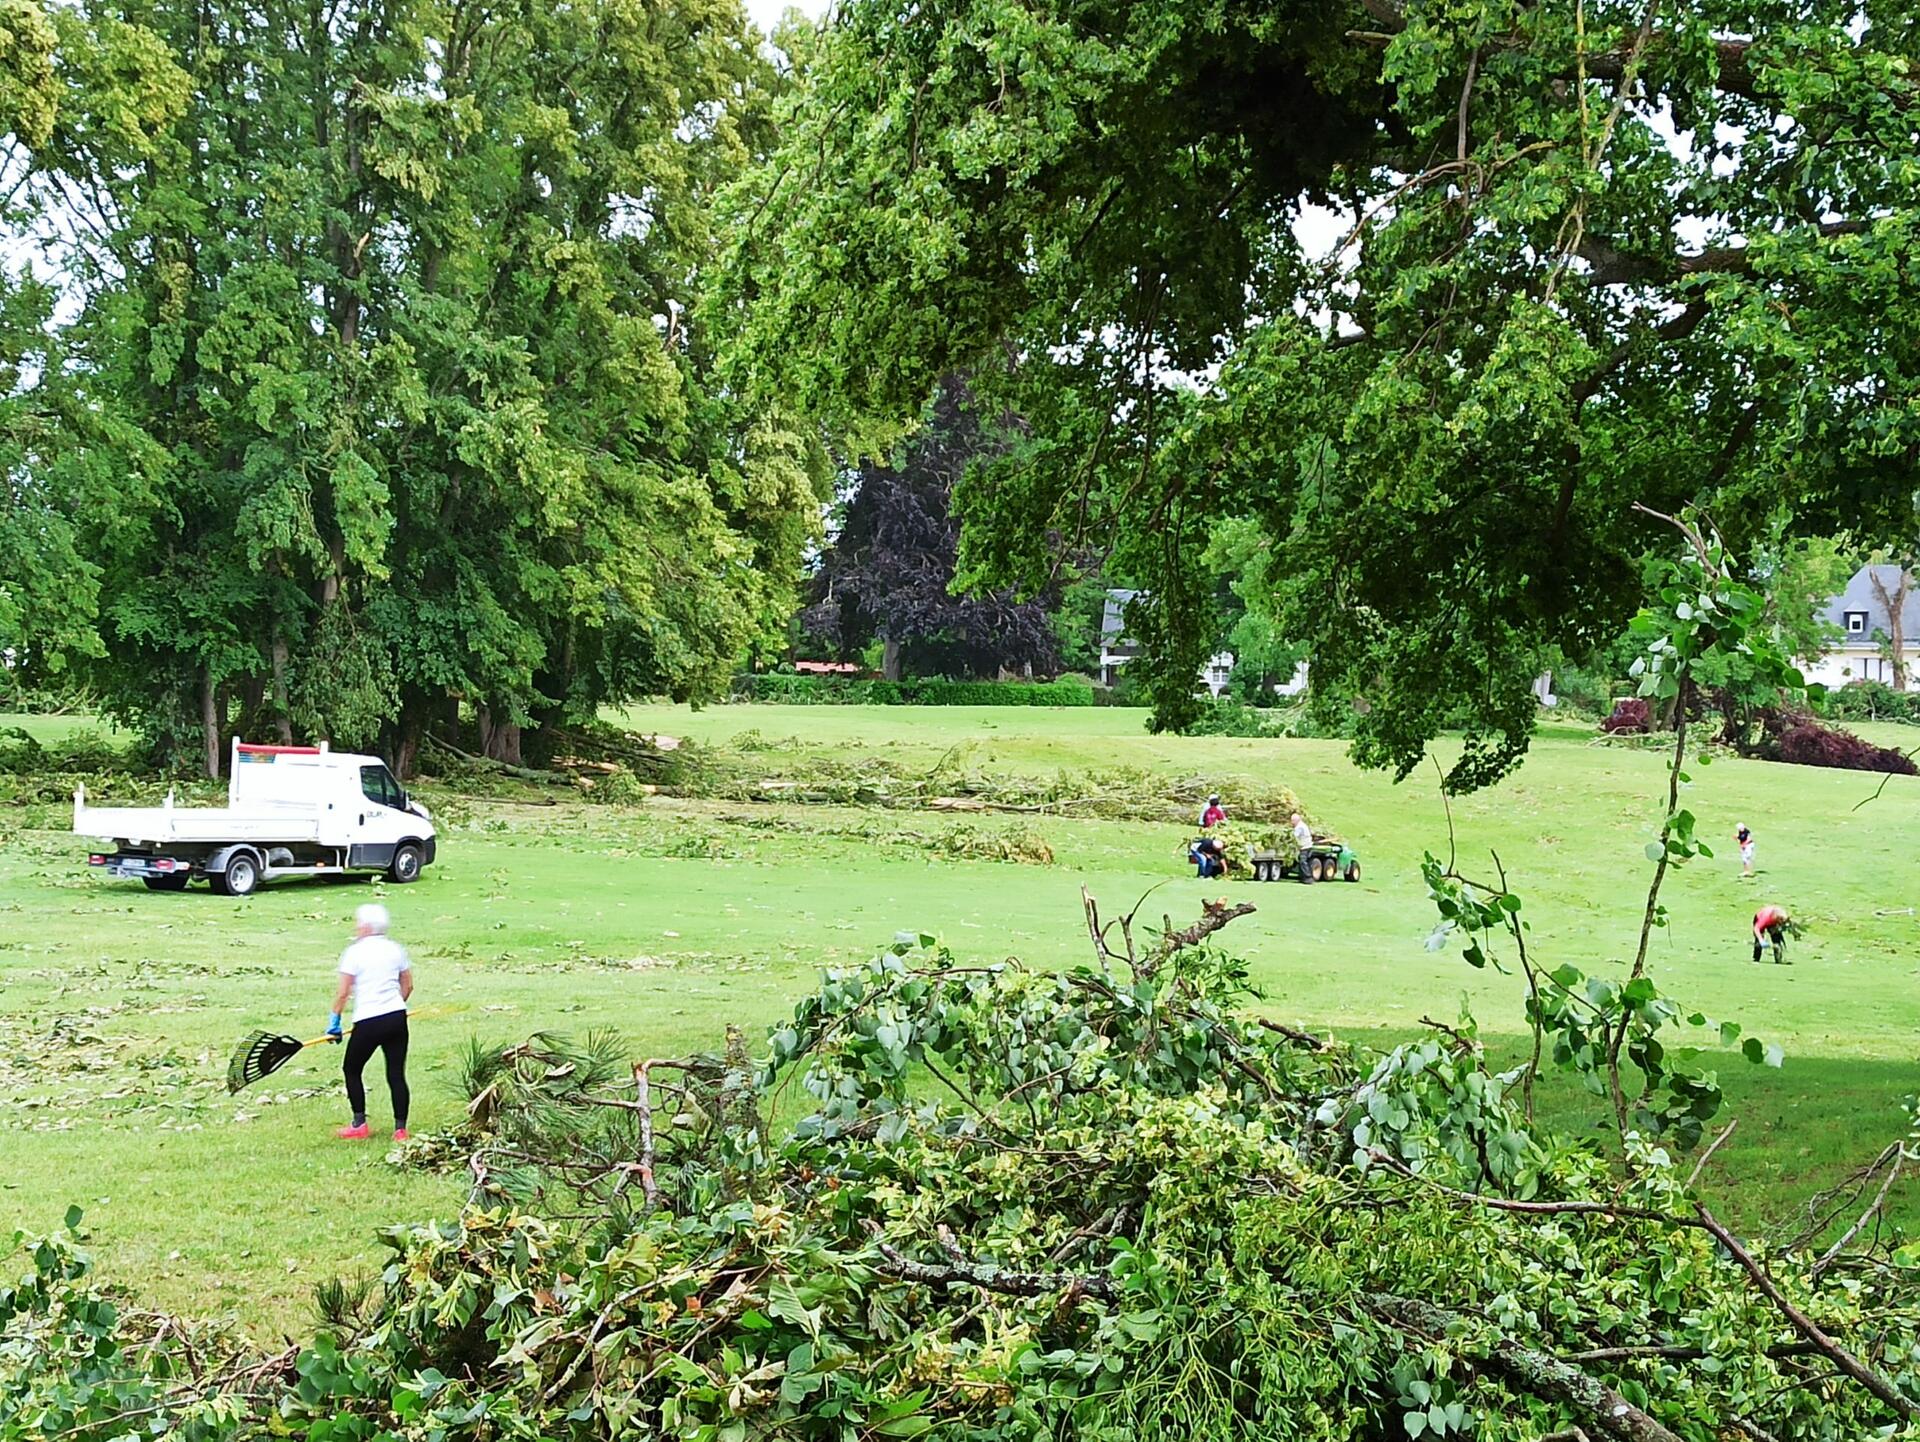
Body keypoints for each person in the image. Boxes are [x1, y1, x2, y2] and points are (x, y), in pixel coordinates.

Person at [328, 903, 413, 1140]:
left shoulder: (354, 952)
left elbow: (343, 992)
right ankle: (400, 1129)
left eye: (358, 923)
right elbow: (408, 985)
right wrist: (394, 1006)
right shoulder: (396, 949)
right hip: (397, 1018)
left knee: (351, 1069)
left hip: (368, 1021)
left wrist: (334, 1020)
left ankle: (359, 1124)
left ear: (365, 926)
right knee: (396, 1073)